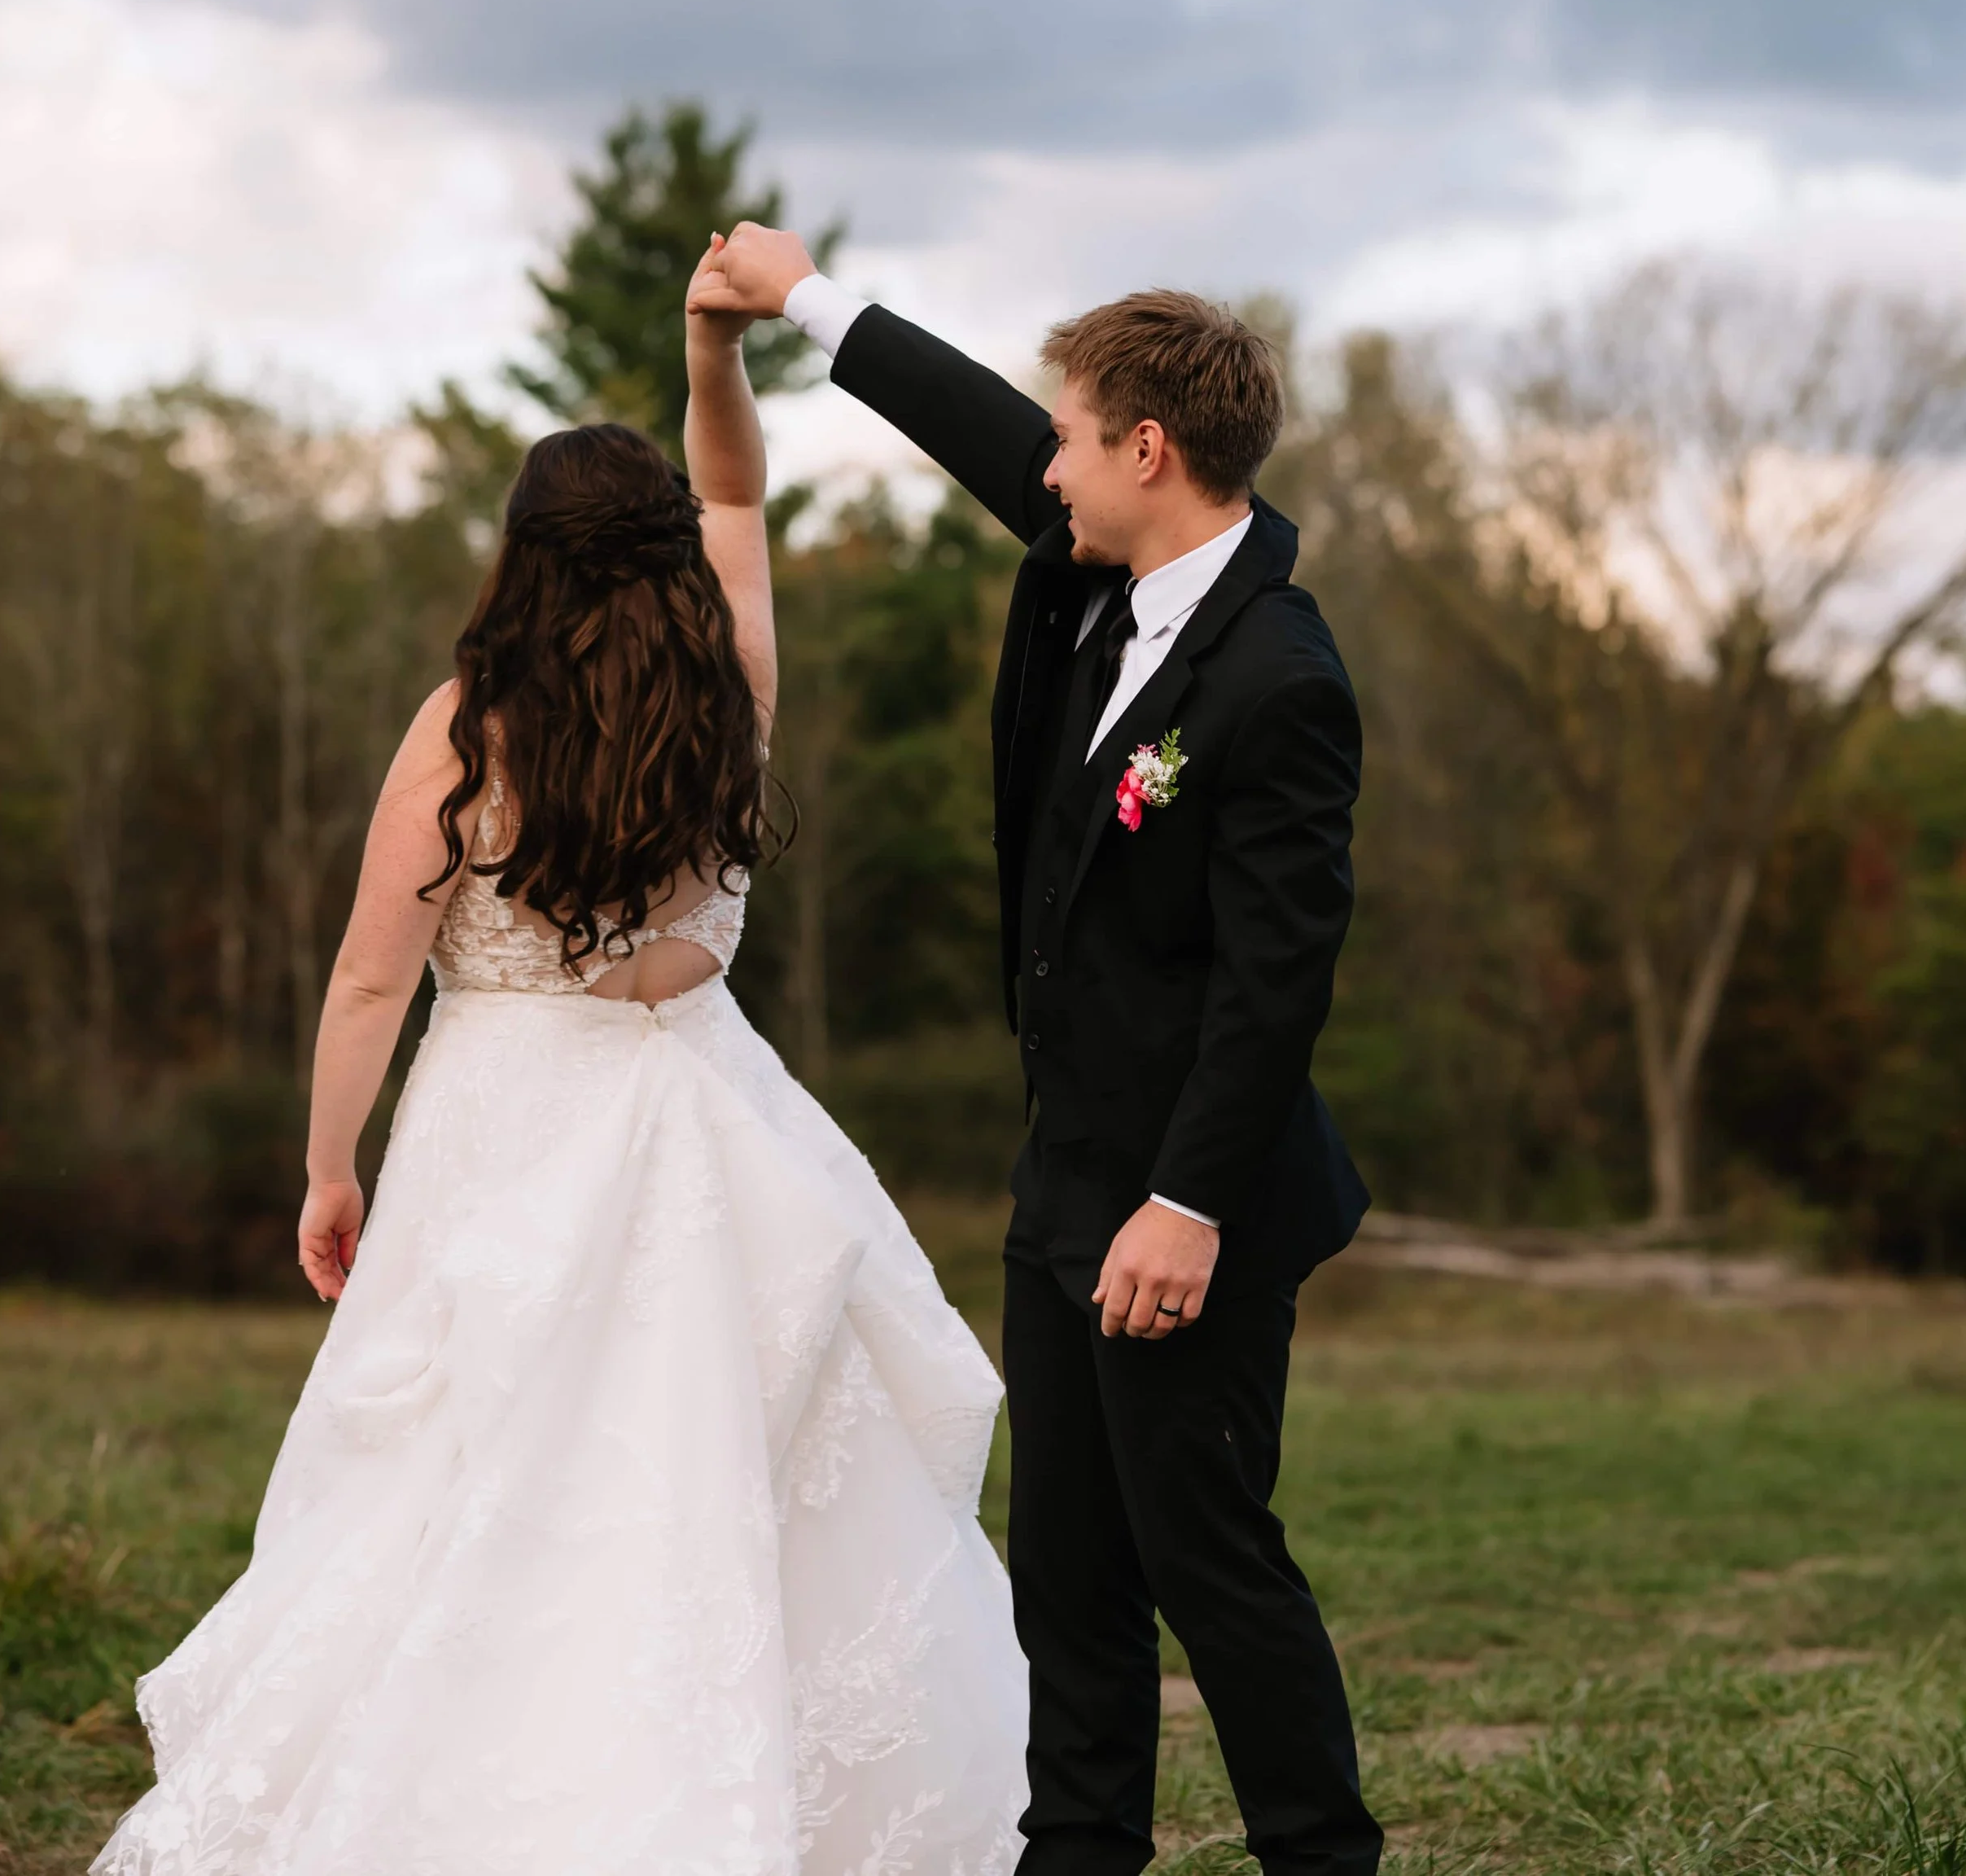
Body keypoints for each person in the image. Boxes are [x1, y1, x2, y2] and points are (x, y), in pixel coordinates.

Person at [93, 240, 1027, 1876]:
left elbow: (371, 977)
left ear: (519, 556)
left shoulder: (471, 726)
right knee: (729, 1479)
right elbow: (737, 493)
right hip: (711, 1113)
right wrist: (711, 351)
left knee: (474, 1484)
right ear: (668, 548)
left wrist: (327, 1168)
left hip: (504, 1132)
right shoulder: (730, 687)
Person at [694, 233, 1384, 1876]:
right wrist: (803, 297)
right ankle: (1077, 1854)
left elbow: (1276, 983)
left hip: (1192, 1208)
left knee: (1207, 1558)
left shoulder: (1280, 676)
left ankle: (1323, 1859)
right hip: (1062, 1177)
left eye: (1069, 436)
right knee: (1068, 1568)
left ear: (1149, 449)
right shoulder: (1093, 575)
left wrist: (1186, 1206)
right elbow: (980, 431)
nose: (1044, 466)